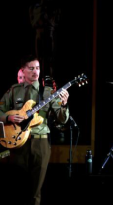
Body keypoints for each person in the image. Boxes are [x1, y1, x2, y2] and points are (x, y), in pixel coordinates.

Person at [0, 55, 69, 205]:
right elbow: (0, 111)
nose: (35, 71)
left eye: (37, 68)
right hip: (18, 144)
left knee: (35, 192)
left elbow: (62, 119)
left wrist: (64, 105)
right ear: (23, 71)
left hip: (40, 143)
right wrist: (8, 118)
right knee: (17, 189)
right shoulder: (14, 90)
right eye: (31, 68)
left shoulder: (48, 92)